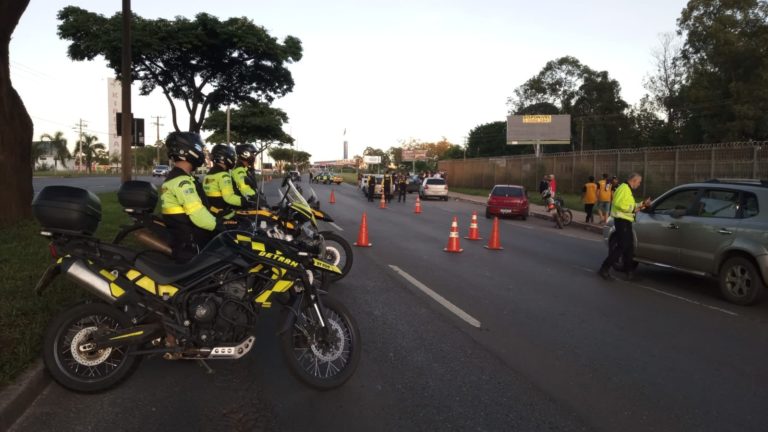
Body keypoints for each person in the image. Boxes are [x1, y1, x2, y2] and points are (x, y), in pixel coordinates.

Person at [160, 132, 230, 262]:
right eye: (199, 149)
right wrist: (223, 228)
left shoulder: (181, 178)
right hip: (193, 248)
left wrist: (222, 216)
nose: (202, 153)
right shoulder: (182, 182)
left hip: (188, 241)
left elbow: (203, 207)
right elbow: (199, 216)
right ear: (188, 151)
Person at [598, 173, 651, 281]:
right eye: (639, 182)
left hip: (626, 221)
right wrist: (633, 210)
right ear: (634, 180)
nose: (639, 184)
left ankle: (629, 271)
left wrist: (642, 204)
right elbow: (619, 204)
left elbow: (630, 205)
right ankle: (604, 268)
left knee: (629, 247)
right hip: (622, 221)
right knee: (622, 246)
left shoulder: (627, 189)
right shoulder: (624, 188)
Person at [203, 144, 244, 217]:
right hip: (225, 215)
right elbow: (229, 198)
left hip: (213, 213)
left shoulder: (208, 175)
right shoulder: (223, 175)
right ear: (224, 158)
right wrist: (246, 202)